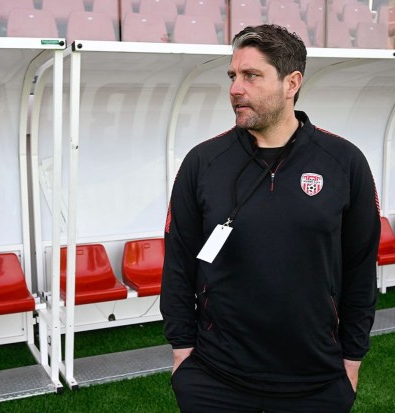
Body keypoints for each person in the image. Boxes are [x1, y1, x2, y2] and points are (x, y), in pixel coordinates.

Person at [160, 24, 381, 413]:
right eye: (232, 76)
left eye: (251, 75)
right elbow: (179, 261)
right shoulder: (203, 162)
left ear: (291, 82)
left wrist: (352, 358)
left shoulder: (344, 162)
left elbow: (361, 266)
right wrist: (182, 353)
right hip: (216, 377)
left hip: (316, 379)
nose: (235, 89)